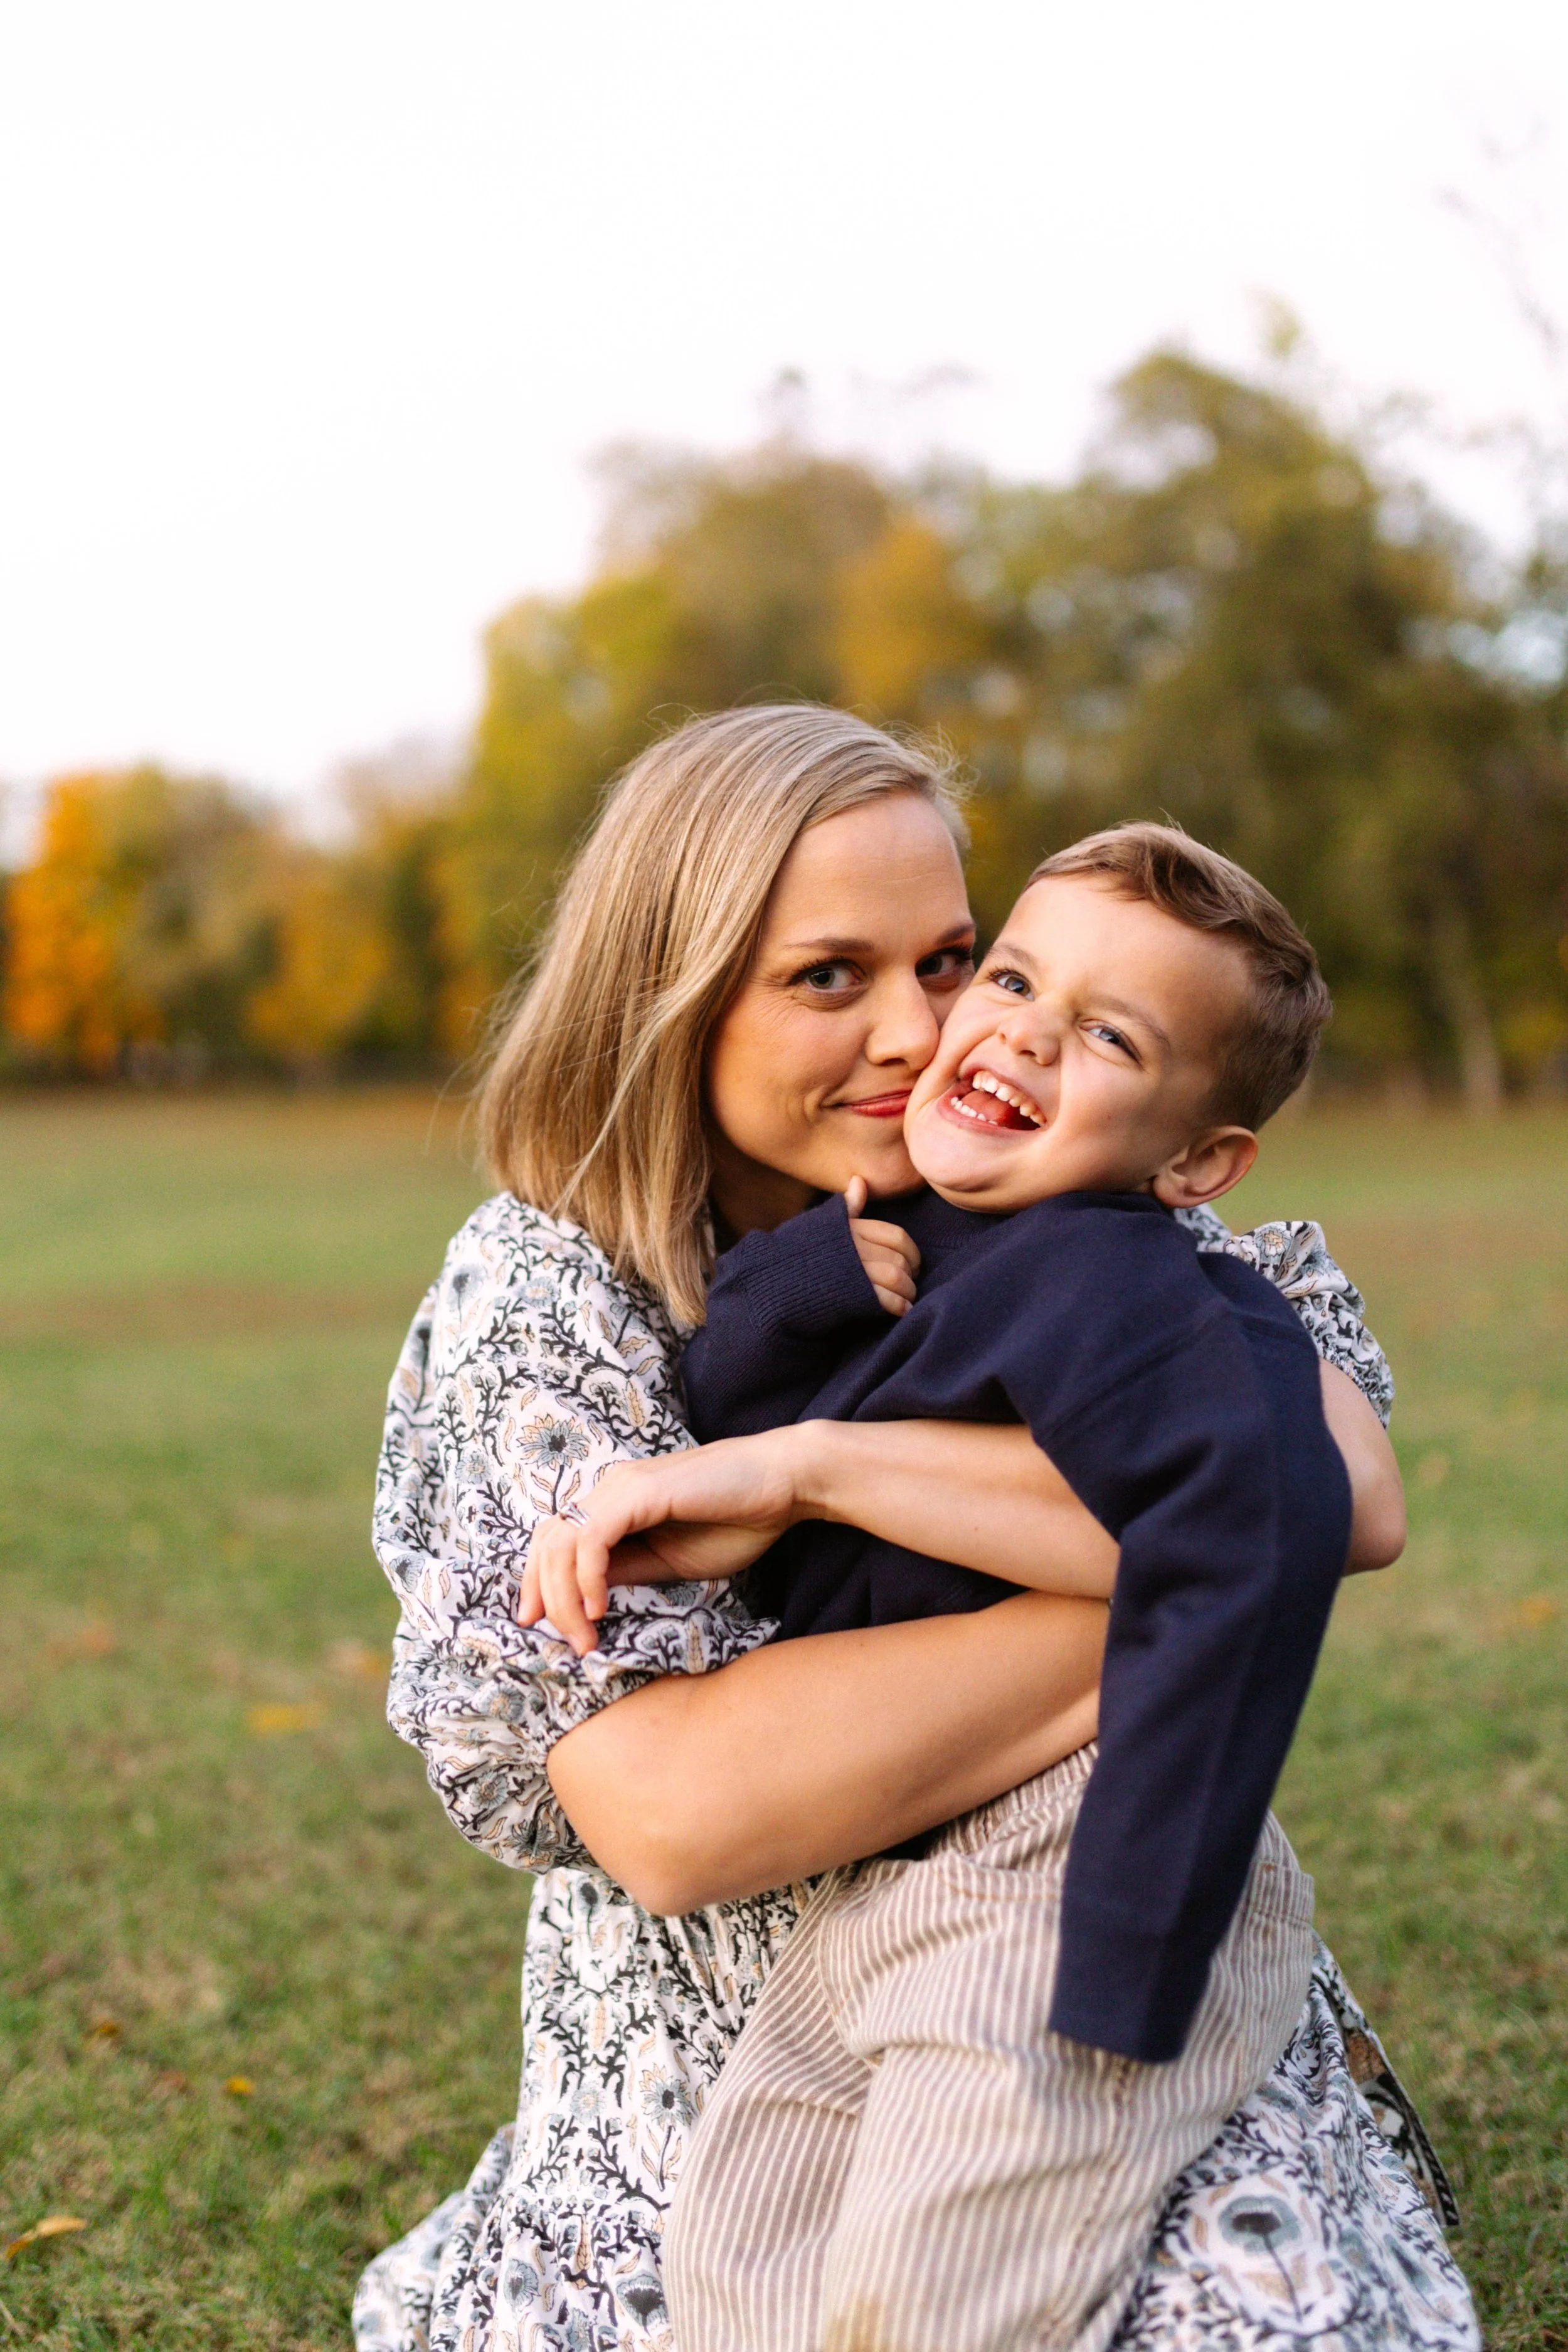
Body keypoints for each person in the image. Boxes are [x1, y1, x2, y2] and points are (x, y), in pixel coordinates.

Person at [352, 706, 1476, 2352]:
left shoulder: (1074, 1176)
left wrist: (824, 1470)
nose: (924, 1029)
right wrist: (1188, 1591)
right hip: (716, 2029)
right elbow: (672, 1809)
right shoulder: (551, 1284)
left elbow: (1346, 1498)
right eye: (828, 976)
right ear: (674, 996)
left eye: (953, 956)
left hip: (1075, 1935)